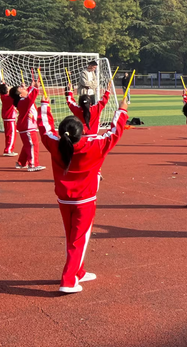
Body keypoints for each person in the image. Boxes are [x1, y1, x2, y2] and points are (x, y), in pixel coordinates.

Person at [37, 95, 129, 293]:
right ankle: (69, 280)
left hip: (64, 199)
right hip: (85, 200)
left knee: (73, 237)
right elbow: (114, 132)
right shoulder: (95, 145)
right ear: (80, 134)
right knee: (79, 240)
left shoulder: (54, 143)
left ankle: (78, 271)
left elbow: (44, 126)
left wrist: (45, 105)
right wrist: (122, 110)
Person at [9, 81, 45, 172]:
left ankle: (21, 162)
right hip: (27, 127)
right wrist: (35, 88)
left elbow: (28, 94)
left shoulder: (22, 100)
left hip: (27, 127)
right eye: (21, 89)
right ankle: (33, 164)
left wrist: (32, 87)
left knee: (28, 145)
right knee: (33, 145)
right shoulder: (23, 102)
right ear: (20, 95)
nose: (24, 89)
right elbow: (30, 98)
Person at [0, 83, 18, 156]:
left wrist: (3, 84)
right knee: (11, 135)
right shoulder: (8, 98)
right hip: (10, 119)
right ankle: (8, 150)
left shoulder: (3, 96)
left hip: (7, 119)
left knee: (8, 135)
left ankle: (8, 149)